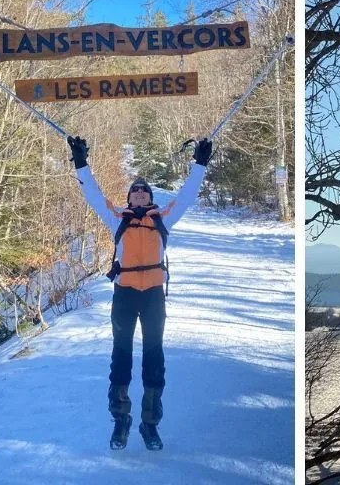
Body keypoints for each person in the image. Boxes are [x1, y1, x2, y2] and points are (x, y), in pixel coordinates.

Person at [67, 135, 213, 451]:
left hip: (153, 297)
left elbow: (186, 196)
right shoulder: (116, 218)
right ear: (129, 198)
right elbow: (92, 194)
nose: (140, 193)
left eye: (144, 191)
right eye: (135, 191)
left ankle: (150, 425)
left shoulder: (163, 218)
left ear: (150, 198)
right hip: (125, 294)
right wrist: (80, 161)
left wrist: (200, 163)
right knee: (121, 357)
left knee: (154, 358)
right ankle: (121, 421)